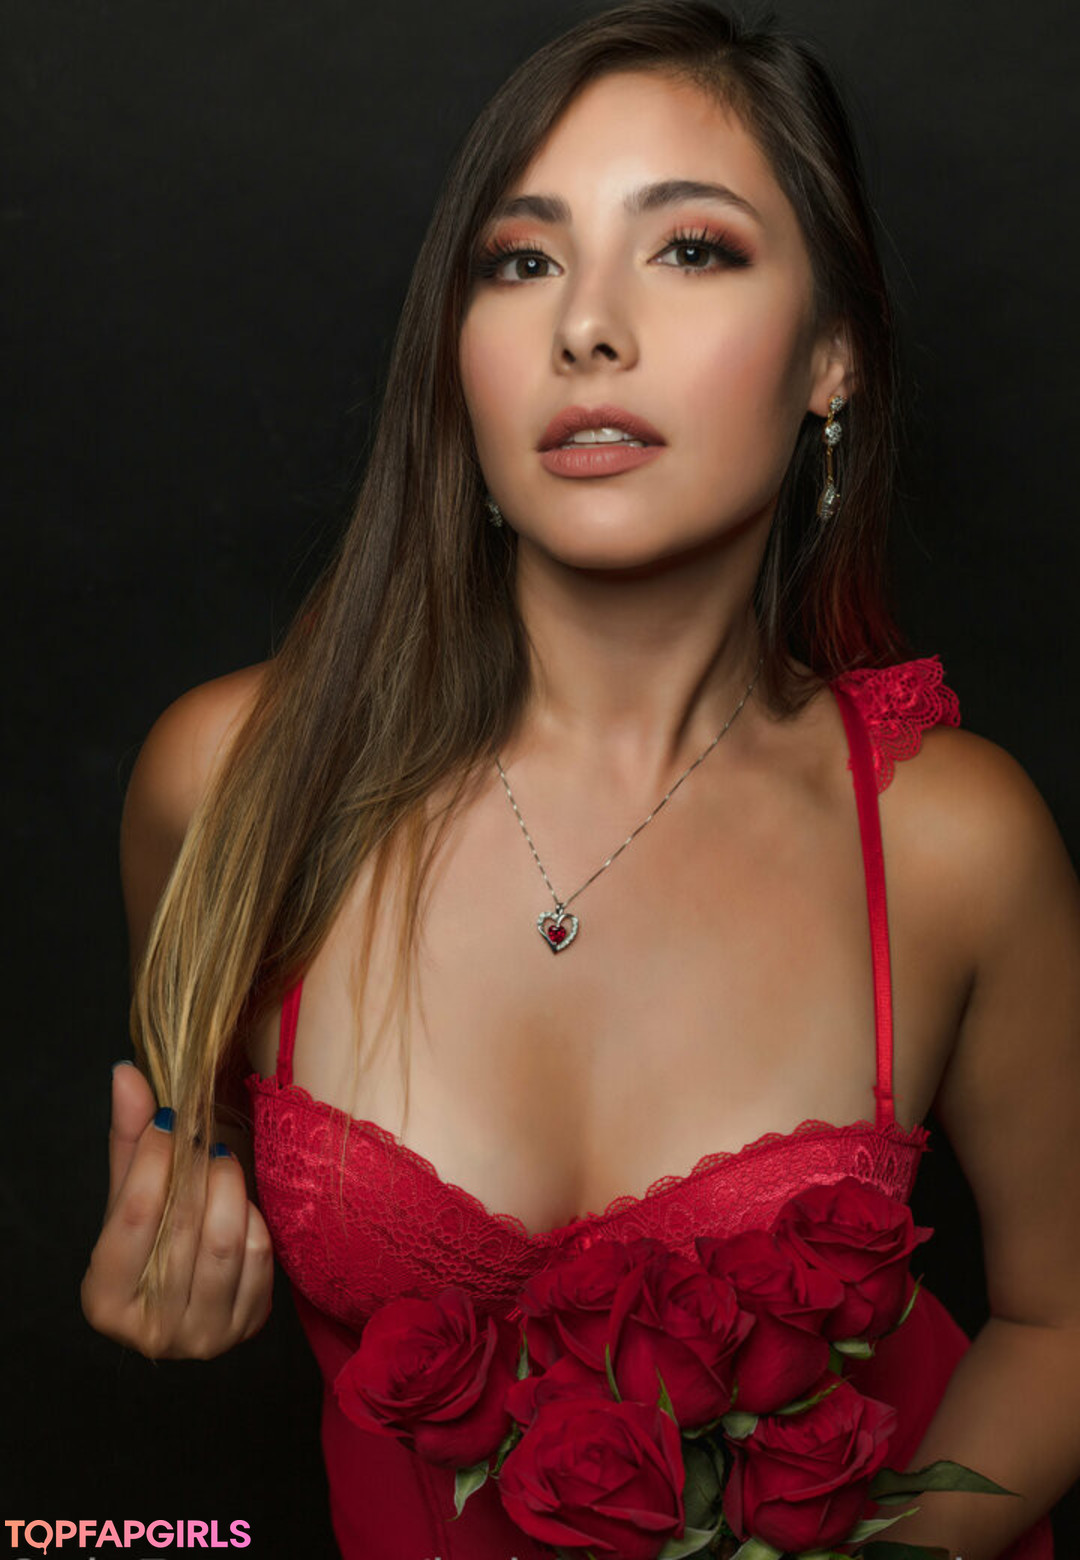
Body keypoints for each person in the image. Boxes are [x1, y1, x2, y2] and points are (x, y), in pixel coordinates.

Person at [79, 3, 1079, 1556]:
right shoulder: (228, 787)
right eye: (521, 261)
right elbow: (188, 1136)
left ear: (831, 359)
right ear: (459, 360)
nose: (588, 327)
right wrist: (172, 1250)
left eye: (691, 249)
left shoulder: (953, 846)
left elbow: (1062, 1322)